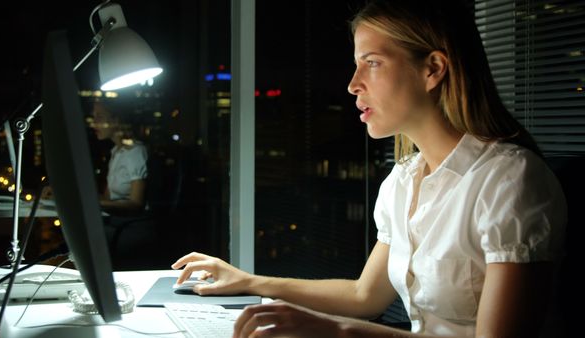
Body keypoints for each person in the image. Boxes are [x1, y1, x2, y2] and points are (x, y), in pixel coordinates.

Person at [170, 0, 567, 337]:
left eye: (372, 63)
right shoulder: (404, 179)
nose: (353, 84)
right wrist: (248, 281)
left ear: (433, 69)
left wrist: (335, 331)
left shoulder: (510, 181)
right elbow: (365, 296)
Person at [90, 100, 148, 215]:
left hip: (131, 225)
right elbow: (108, 199)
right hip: (115, 220)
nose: (93, 123)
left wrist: (98, 204)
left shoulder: (135, 151)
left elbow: (136, 204)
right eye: (93, 116)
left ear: (116, 121)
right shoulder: (116, 152)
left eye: (100, 117)